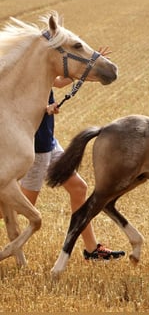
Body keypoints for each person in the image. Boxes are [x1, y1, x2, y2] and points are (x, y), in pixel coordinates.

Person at [18, 47, 125, 261]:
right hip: (36, 149)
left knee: (79, 188)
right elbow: (16, 108)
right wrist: (44, 108)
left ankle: (91, 249)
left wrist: (89, 69)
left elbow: (58, 82)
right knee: (16, 208)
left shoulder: (44, 69)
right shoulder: (24, 75)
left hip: (50, 142)